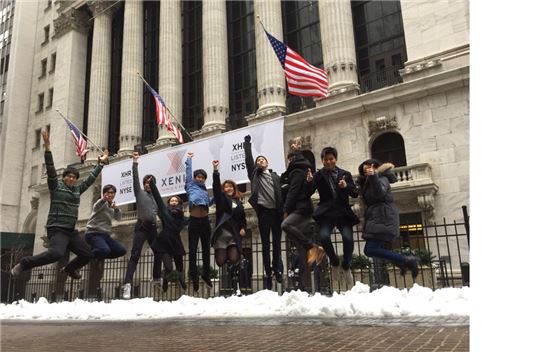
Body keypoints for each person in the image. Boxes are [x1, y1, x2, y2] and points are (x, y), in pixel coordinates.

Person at [10, 130, 108, 279]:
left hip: (71, 231)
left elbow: (90, 179)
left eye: (74, 177)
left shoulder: (77, 190)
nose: (71, 179)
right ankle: (24, 264)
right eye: (68, 176)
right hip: (57, 230)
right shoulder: (56, 187)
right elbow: (50, 169)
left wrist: (100, 164)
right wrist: (47, 148)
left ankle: (69, 269)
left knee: (88, 254)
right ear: (64, 178)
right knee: (56, 253)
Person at [357, 158, 419, 280]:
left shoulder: (382, 178)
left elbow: (379, 193)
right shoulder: (368, 183)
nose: (367, 171)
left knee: (370, 250)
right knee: (376, 249)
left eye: (369, 168)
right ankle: (401, 262)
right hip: (376, 217)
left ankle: (406, 260)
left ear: (375, 167)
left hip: (382, 216)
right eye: (364, 171)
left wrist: (373, 176)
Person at [310, 147, 359, 291]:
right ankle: (335, 262)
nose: (329, 161)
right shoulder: (319, 175)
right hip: (327, 213)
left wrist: (346, 186)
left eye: (331, 159)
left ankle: (346, 266)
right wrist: (309, 181)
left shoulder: (345, 174)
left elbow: (355, 193)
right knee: (324, 237)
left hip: (343, 213)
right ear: (322, 161)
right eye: (326, 159)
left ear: (335, 159)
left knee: (348, 239)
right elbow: (309, 191)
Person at [243, 135, 284, 290]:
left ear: (267, 163)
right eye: (258, 160)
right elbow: (248, 160)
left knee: (277, 243)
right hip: (264, 213)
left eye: (263, 160)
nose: (260, 161)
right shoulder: (254, 175)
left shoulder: (275, 176)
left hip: (277, 213)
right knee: (265, 244)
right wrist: (247, 145)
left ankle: (277, 269)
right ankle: (267, 271)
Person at [122, 152, 160, 300]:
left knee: (158, 251)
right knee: (135, 255)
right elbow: (135, 179)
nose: (147, 184)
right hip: (141, 227)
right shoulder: (139, 193)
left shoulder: (156, 198)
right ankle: (127, 285)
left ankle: (156, 278)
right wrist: (135, 163)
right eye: (146, 182)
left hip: (153, 228)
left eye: (151, 182)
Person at [280, 150, 325, 268]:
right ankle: (313, 251)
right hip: (303, 207)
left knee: (285, 225)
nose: (289, 161)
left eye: (290, 159)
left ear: (295, 159)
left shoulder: (296, 171)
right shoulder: (301, 171)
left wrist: (285, 209)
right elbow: (305, 190)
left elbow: (293, 191)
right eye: (288, 159)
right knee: (294, 233)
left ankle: (313, 248)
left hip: (301, 207)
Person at [210, 160, 247, 291]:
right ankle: (230, 268)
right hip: (222, 234)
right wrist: (215, 171)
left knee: (234, 258)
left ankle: (234, 276)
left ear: (234, 188)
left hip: (234, 235)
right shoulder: (221, 200)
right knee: (220, 262)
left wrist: (243, 228)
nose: (228, 188)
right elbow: (215, 187)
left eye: (230, 186)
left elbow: (243, 218)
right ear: (223, 189)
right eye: (226, 187)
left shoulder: (239, 202)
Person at [149, 178, 188, 293]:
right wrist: (152, 184)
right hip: (164, 242)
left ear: (180, 204)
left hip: (176, 242)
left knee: (180, 266)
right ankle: (165, 279)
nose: (174, 202)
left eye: (176, 201)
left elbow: (193, 220)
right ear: (169, 203)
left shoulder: (182, 217)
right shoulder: (165, 212)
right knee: (169, 267)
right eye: (172, 201)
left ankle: (180, 278)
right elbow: (158, 198)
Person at [185, 152, 213, 292]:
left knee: (206, 250)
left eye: (202, 178)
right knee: (193, 251)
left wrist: (219, 197)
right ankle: (193, 276)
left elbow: (210, 202)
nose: (200, 179)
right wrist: (189, 159)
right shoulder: (190, 185)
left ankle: (206, 275)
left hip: (205, 222)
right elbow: (188, 172)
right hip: (194, 221)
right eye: (198, 177)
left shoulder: (205, 192)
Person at [84, 184, 126, 267]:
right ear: (104, 193)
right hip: (93, 233)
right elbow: (96, 207)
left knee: (121, 251)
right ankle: (84, 258)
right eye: (108, 192)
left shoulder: (112, 206)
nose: (110, 195)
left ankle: (99, 257)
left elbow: (118, 218)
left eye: (112, 193)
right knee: (105, 249)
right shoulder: (101, 203)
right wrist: (103, 199)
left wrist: (116, 209)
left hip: (105, 235)